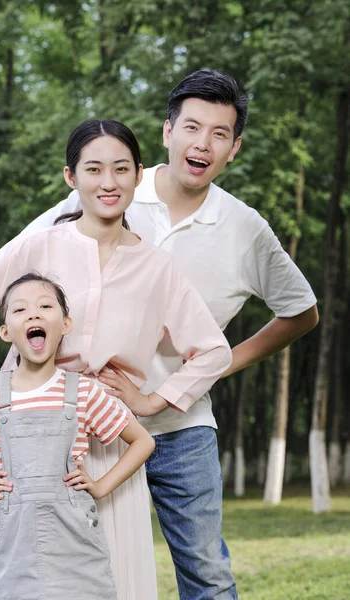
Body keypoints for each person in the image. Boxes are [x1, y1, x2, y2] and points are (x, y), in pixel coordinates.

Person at [18, 70, 319, 599]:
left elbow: (301, 312)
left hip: (184, 428)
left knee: (207, 573)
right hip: (89, 429)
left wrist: (209, 369)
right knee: (85, 572)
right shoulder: (115, 188)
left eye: (220, 133)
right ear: (167, 132)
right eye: (192, 127)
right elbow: (24, 270)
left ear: (234, 149)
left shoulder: (245, 228)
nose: (202, 143)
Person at [0, 119, 233, 600]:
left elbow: (214, 349)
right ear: (71, 178)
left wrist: (154, 400)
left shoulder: (156, 267)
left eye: (120, 169)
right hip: (34, 441)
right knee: (37, 577)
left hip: (109, 441)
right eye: (93, 169)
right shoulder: (40, 245)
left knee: (118, 576)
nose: (108, 182)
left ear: (139, 175)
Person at [0, 272, 155, 600]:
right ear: (6, 332)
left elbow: (143, 441)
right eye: (20, 309)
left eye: (44, 306)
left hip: (75, 540)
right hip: (16, 542)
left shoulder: (83, 391)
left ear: (65, 324)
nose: (34, 314)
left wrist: (100, 486)